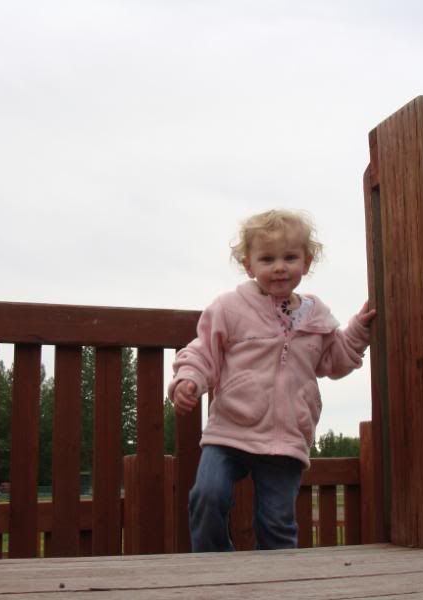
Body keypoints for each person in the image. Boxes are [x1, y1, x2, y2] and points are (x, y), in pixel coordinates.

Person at [168, 208, 376, 552]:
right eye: (267, 259)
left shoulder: (315, 315)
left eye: (289, 257)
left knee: (277, 521)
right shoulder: (230, 309)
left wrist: (358, 330)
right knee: (207, 496)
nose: (279, 266)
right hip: (230, 431)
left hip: (286, 436)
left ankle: (278, 584)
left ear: (306, 263)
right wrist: (189, 380)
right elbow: (203, 352)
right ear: (249, 265)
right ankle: (214, 569)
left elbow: (334, 360)